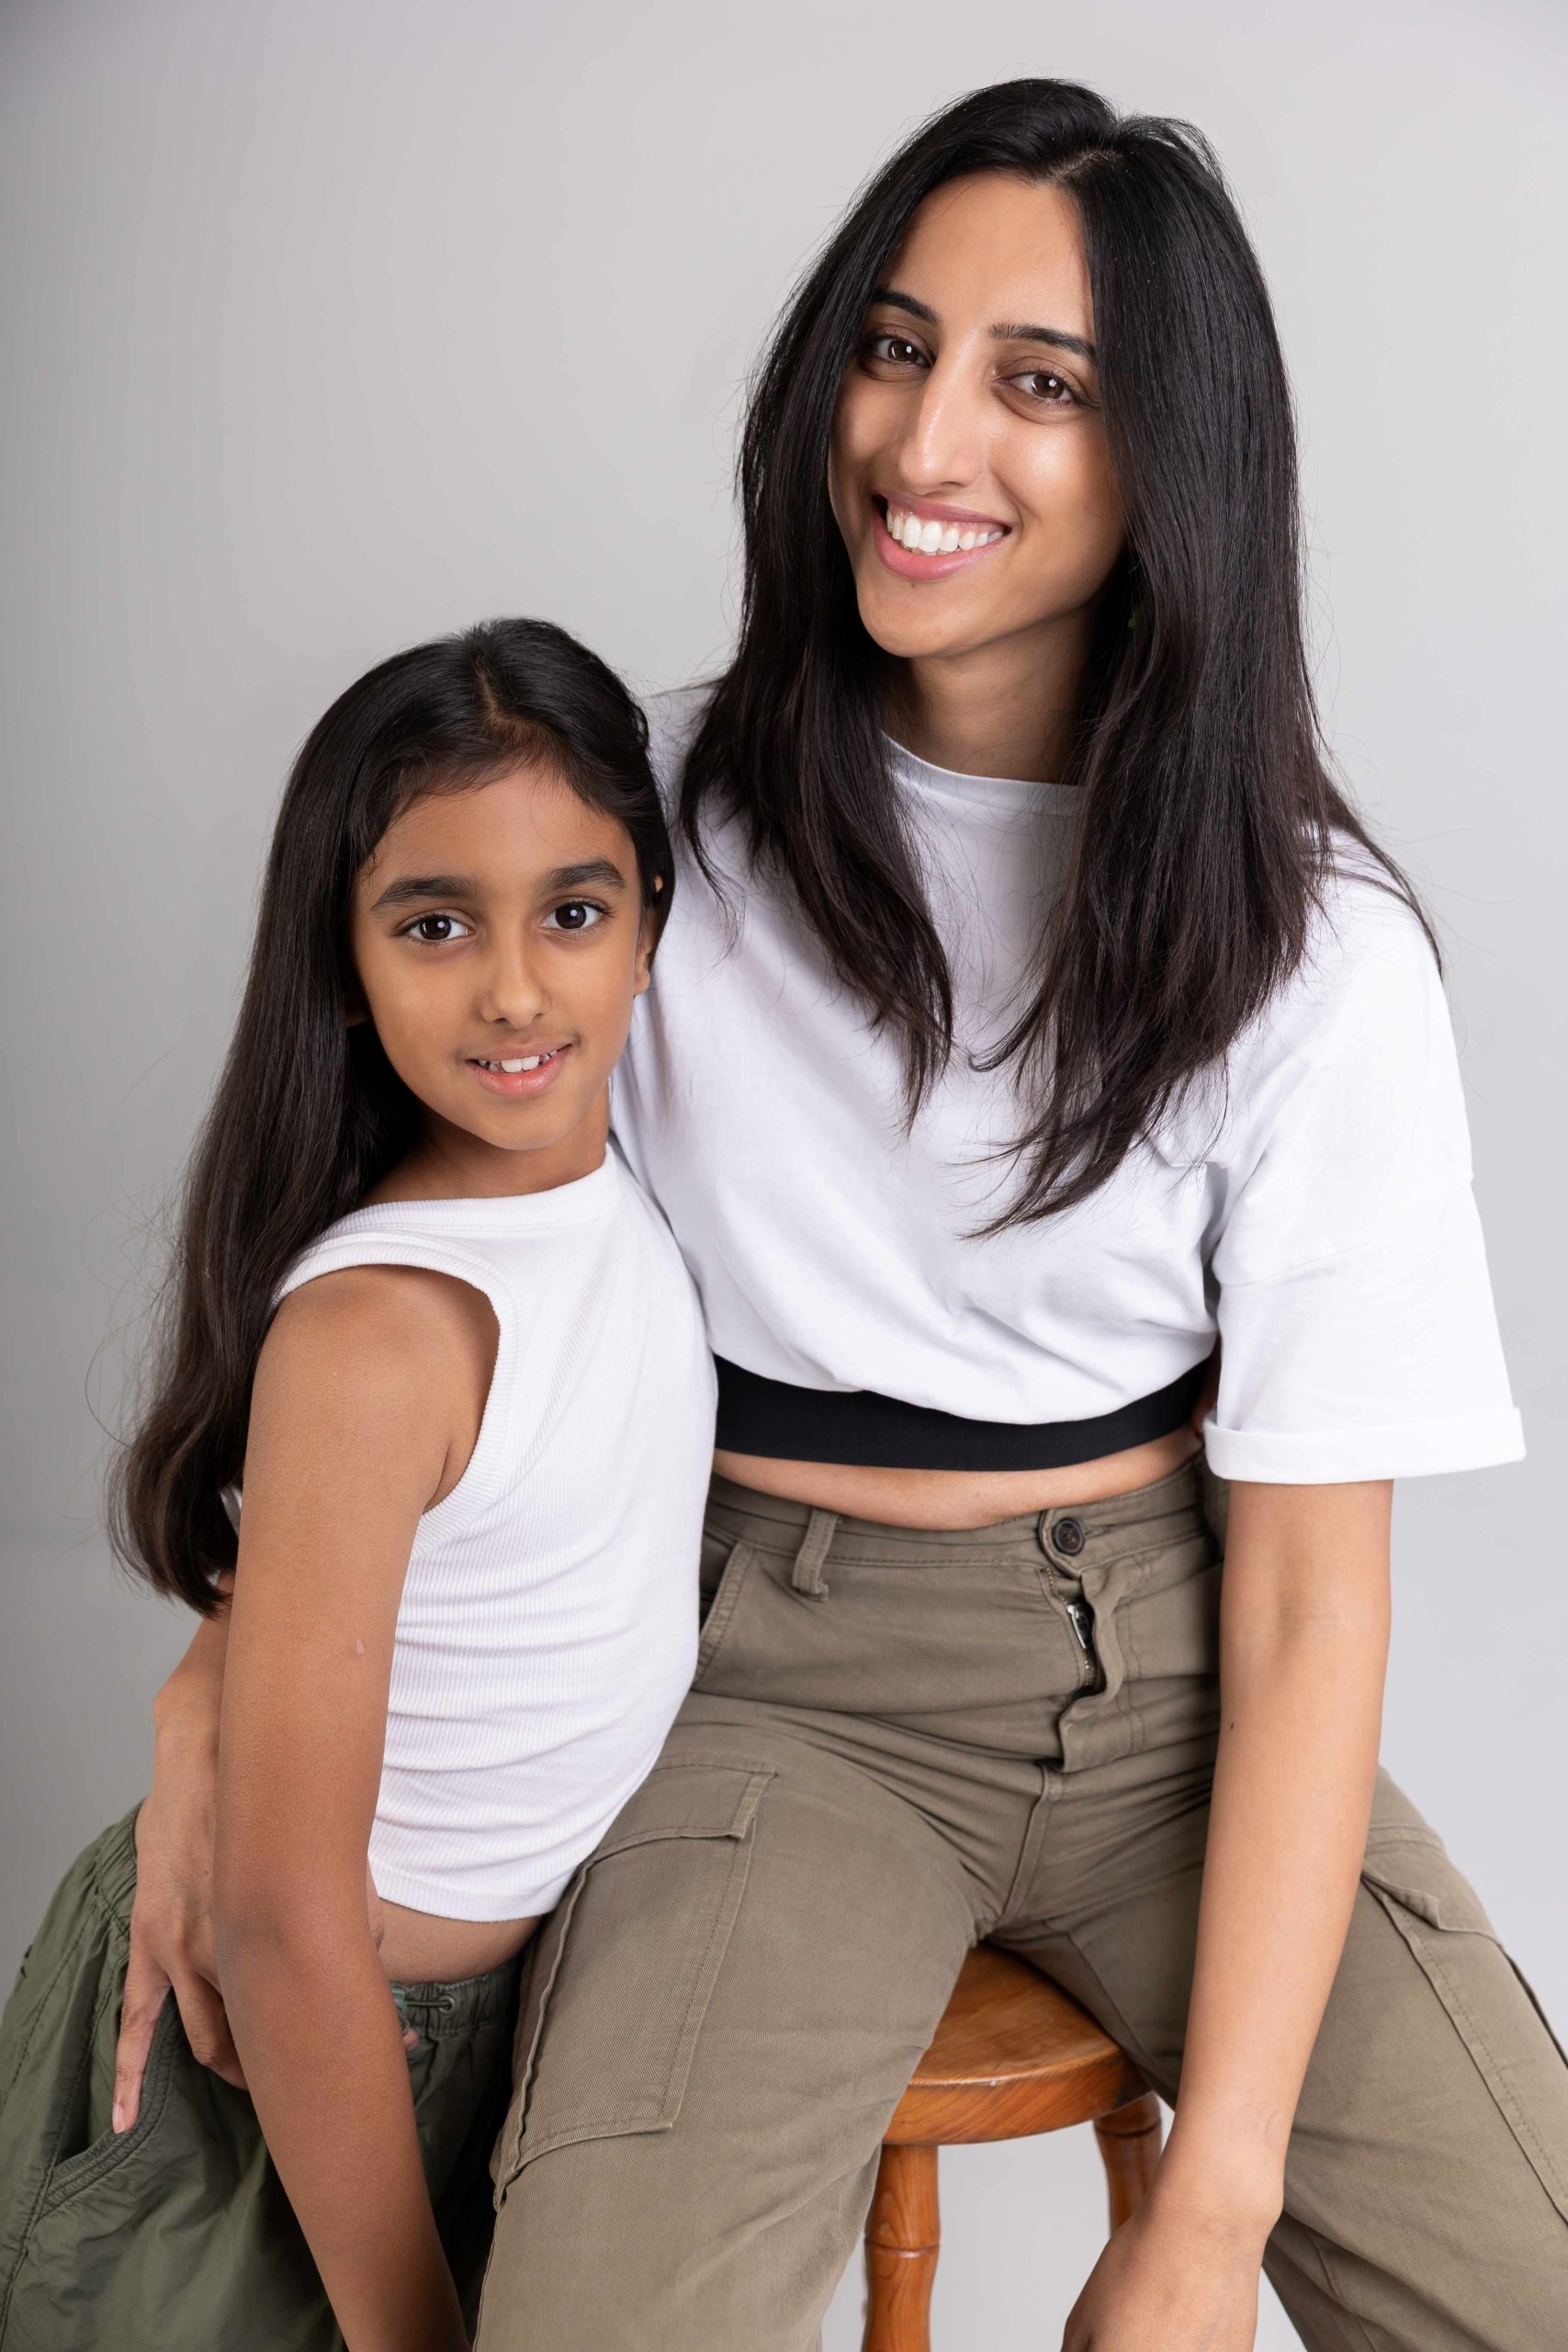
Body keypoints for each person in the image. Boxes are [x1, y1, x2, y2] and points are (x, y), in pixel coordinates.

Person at [118, 77, 1568, 2352]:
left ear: (1169, 456)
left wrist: (1207, 2215)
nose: (922, 442)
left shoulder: (1313, 952)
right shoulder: (655, 828)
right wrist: (228, 1658)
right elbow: (409, 1252)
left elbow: (1304, 1602)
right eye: (891, 349)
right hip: (768, 1679)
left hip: (1184, 1666)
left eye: (1037, 382)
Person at [0, 619, 716, 2351]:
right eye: (433, 925)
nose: (517, 991)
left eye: (573, 910)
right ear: (342, 960)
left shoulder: (630, 1183)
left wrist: (200, 1689)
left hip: (486, 2029)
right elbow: (287, 1915)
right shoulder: (380, 1335)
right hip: (280, 2042)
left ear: (651, 927)